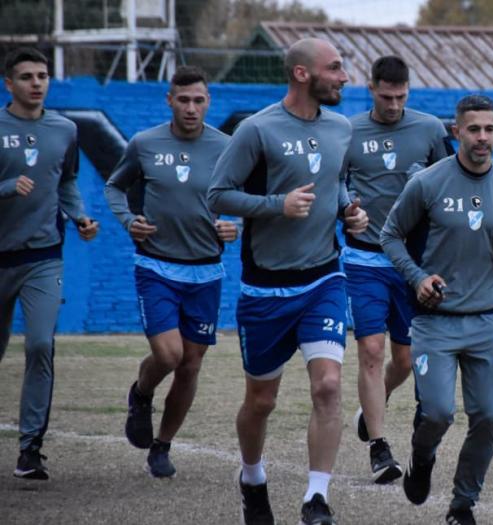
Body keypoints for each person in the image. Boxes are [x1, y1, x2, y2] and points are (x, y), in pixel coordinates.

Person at [207, 38, 368, 525]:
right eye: (335, 67)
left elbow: (336, 183)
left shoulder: (341, 129)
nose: (344, 77)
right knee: (261, 401)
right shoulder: (256, 130)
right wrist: (276, 205)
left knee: (328, 385)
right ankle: (252, 478)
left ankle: (316, 497)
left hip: (324, 279)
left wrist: (348, 210)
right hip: (265, 290)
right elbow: (218, 195)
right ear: (302, 74)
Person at [381, 94, 493, 525]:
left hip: (487, 320)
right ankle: (422, 457)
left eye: (490, 129)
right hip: (435, 322)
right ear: (456, 132)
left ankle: (462, 505)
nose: (483, 137)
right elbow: (390, 236)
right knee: (436, 412)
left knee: (489, 418)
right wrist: (418, 278)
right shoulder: (428, 183)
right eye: (473, 129)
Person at [104, 65, 236, 478]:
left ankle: (162, 446)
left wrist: (237, 224)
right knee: (170, 353)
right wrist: (128, 220)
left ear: (208, 101)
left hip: (206, 272)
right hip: (157, 266)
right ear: (170, 100)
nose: (191, 108)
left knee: (191, 365)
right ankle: (141, 393)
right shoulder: (145, 144)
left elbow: (246, 198)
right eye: (183, 100)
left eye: (199, 100)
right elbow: (114, 187)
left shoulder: (227, 147)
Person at [341, 55, 452, 484]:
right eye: (386, 96)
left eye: (401, 96)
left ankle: (373, 406)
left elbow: (451, 180)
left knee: (404, 361)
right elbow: (335, 184)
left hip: (411, 262)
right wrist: (345, 211)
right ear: (371, 88)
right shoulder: (347, 130)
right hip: (364, 258)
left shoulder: (429, 129)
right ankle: (380, 448)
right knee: (371, 350)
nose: (393, 104)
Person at [0, 47, 100, 481]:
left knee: (40, 344)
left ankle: (30, 450)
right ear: (9, 83)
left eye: (42, 75)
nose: (36, 83)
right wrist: (6, 186)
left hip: (43, 256)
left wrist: (79, 216)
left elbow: (68, 181)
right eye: (26, 76)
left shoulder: (65, 129)